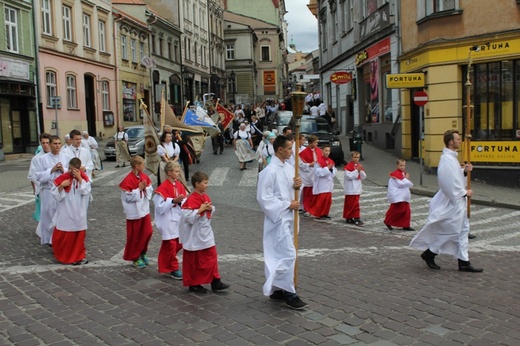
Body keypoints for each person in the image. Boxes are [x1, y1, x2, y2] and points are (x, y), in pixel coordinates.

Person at [410, 130, 483, 273]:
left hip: (457, 200)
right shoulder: (447, 160)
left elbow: (455, 177)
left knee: (463, 230)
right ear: (451, 142)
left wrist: (464, 172)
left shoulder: (452, 158)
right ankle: (430, 253)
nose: (460, 140)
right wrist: (463, 192)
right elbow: (447, 182)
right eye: (457, 138)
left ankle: (464, 262)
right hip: (453, 201)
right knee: (453, 230)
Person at [257, 135, 307, 310]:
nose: (291, 151)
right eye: (288, 148)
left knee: (280, 255)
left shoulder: (288, 168)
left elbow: (290, 192)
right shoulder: (269, 171)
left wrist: (296, 186)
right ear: (280, 149)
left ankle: (277, 288)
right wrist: (287, 204)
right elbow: (264, 199)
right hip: (278, 219)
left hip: (290, 217)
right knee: (288, 254)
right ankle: (290, 294)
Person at [179, 171, 230, 293]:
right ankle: (194, 283)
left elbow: (210, 210)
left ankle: (215, 281)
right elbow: (187, 218)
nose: (207, 185)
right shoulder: (190, 199)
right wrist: (199, 210)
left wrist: (209, 208)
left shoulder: (205, 196)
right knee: (195, 261)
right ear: (197, 184)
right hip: (195, 235)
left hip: (206, 233)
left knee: (211, 257)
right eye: (205, 183)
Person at [51, 157, 90, 265]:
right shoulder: (63, 178)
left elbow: (85, 191)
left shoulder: (84, 179)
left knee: (78, 237)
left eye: (74, 170)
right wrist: (61, 186)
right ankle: (63, 256)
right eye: (69, 169)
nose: (71, 171)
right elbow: (55, 195)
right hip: (65, 211)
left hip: (79, 212)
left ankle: (78, 257)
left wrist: (80, 178)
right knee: (63, 237)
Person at [35, 135, 73, 245]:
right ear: (50, 144)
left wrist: (63, 169)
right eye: (55, 144)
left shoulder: (66, 158)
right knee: (48, 216)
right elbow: (38, 176)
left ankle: (59, 239)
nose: (57, 146)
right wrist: (51, 170)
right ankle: (50, 239)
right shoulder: (42, 159)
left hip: (62, 191)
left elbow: (71, 173)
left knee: (61, 215)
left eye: (59, 143)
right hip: (48, 192)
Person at [153, 162, 187, 280]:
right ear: (169, 173)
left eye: (179, 171)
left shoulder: (179, 185)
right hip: (167, 220)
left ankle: (165, 263)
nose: (179, 173)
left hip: (178, 219)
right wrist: (173, 201)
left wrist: (182, 201)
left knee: (179, 243)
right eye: (176, 171)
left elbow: (184, 200)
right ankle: (173, 268)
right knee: (171, 245)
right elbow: (159, 207)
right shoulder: (162, 188)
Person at [119, 156, 154, 269]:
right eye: (143, 164)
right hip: (134, 213)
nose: (144, 166)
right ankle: (135, 257)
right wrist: (138, 189)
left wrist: (145, 188)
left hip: (144, 210)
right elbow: (127, 197)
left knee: (147, 232)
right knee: (135, 236)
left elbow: (150, 189)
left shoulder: (144, 176)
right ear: (137, 166)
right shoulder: (128, 180)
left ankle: (143, 252)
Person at [384, 158, 415, 231]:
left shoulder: (402, 173)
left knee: (406, 211)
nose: (402, 167)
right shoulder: (395, 174)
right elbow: (400, 184)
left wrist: (406, 181)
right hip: (398, 197)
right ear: (397, 165)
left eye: (404, 165)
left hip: (403, 196)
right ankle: (388, 221)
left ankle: (406, 225)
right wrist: (406, 179)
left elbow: (406, 184)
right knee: (396, 211)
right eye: (401, 165)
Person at [27, 133, 51, 225]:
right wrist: (36, 188)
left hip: (56, 188)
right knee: (44, 211)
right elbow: (31, 175)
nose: (45, 145)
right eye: (43, 143)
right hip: (43, 189)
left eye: (47, 143)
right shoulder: (36, 159)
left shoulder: (57, 155)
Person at [299, 135, 322, 217]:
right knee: (308, 193)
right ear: (310, 143)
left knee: (315, 192)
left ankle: (314, 208)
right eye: (315, 142)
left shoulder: (319, 151)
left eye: (317, 142)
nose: (316, 144)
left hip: (317, 174)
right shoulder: (303, 153)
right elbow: (300, 165)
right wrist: (309, 165)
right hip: (308, 175)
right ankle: (307, 208)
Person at [312, 145, 337, 221]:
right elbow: (318, 173)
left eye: (328, 151)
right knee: (321, 200)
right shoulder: (318, 161)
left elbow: (334, 171)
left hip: (329, 184)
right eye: (326, 150)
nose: (327, 152)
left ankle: (325, 213)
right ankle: (319, 214)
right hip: (322, 184)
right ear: (322, 151)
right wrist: (327, 168)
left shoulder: (330, 161)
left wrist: (331, 170)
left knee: (328, 200)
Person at [343, 151, 366, 226]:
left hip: (357, 188)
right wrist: (357, 170)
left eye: (358, 157)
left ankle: (351, 217)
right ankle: (355, 218)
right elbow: (349, 176)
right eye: (355, 157)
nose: (356, 159)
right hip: (350, 188)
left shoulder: (359, 166)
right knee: (351, 204)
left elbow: (363, 177)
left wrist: (360, 171)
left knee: (355, 204)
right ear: (351, 157)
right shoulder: (348, 166)